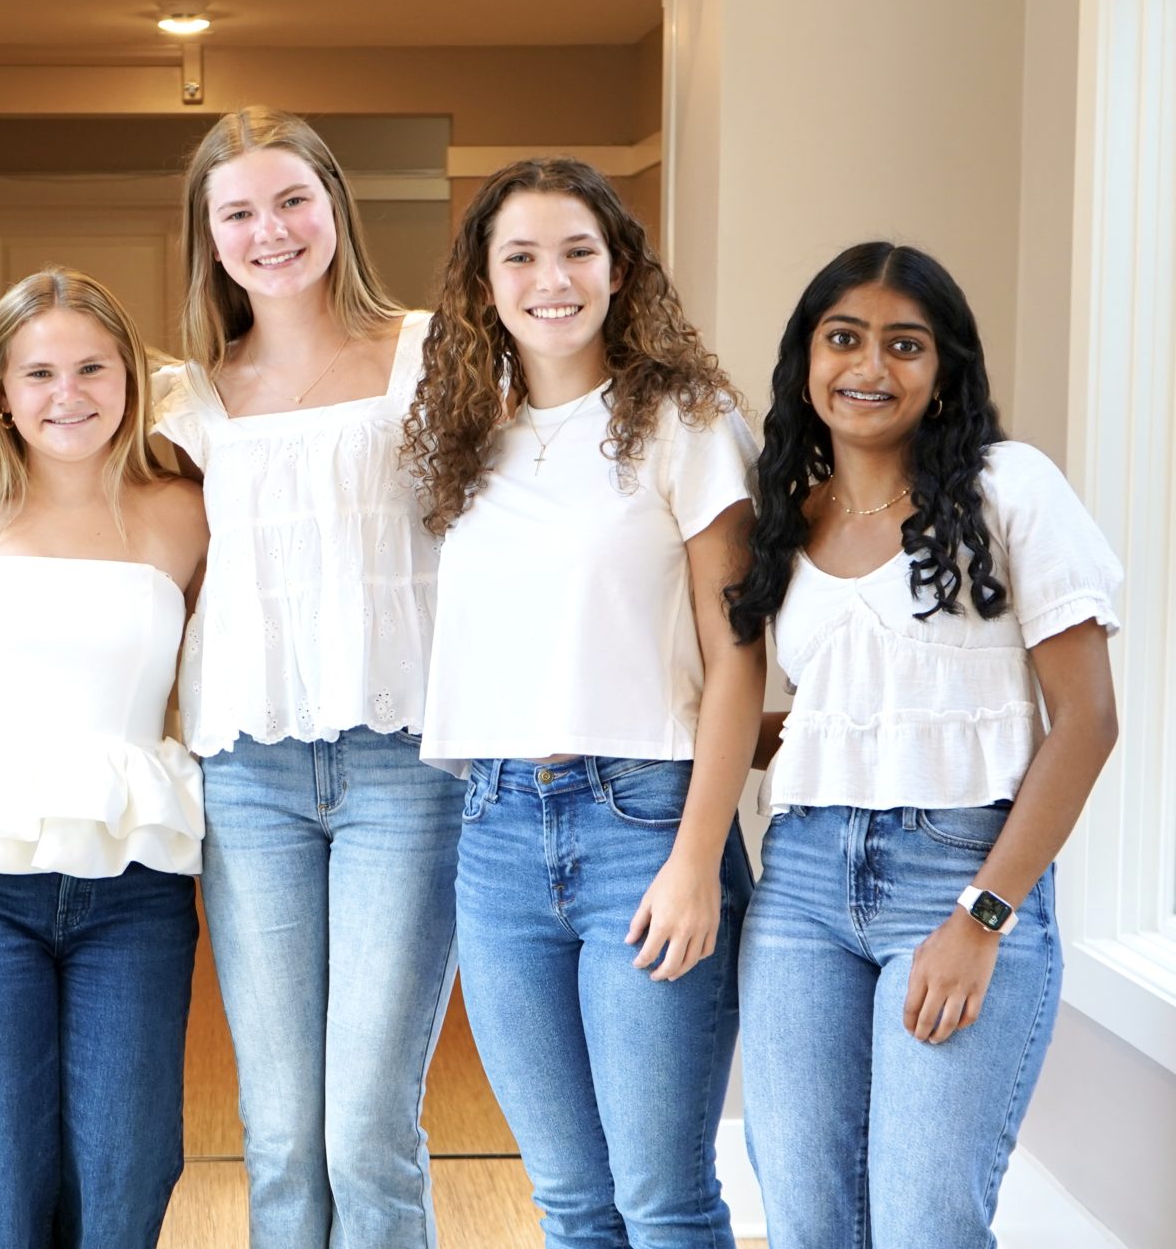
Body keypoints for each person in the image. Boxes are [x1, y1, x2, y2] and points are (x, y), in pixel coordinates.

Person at [725, 243, 1120, 1248]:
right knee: (806, 1219)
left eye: (905, 345)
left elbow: (1085, 722)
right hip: (801, 886)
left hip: (958, 874)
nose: (870, 366)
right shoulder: (791, 519)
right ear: (805, 361)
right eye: (843, 338)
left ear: (942, 370)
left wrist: (980, 918)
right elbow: (832, 726)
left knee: (923, 1225)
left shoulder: (1008, 488)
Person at [404, 156, 762, 1249]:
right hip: (494, 829)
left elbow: (737, 656)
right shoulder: (465, 435)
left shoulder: (685, 422)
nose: (549, 279)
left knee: (662, 1199)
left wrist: (696, 860)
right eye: (519, 256)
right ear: (484, 283)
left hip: (644, 823)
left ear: (619, 270)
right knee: (568, 1200)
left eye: (576, 252)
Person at [150, 105, 463, 1247]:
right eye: (238, 212)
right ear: (208, 236)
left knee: (366, 1131)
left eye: (291, 200)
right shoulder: (182, 402)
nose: (270, 230)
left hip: (406, 768)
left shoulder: (433, 355)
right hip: (248, 776)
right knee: (281, 1135)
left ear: (335, 206)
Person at [0, 268, 209, 1248]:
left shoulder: (186, 510)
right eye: (37, 373)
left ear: (130, 376)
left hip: (135, 885)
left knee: (124, 1172)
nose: (67, 394)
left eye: (92, 368)